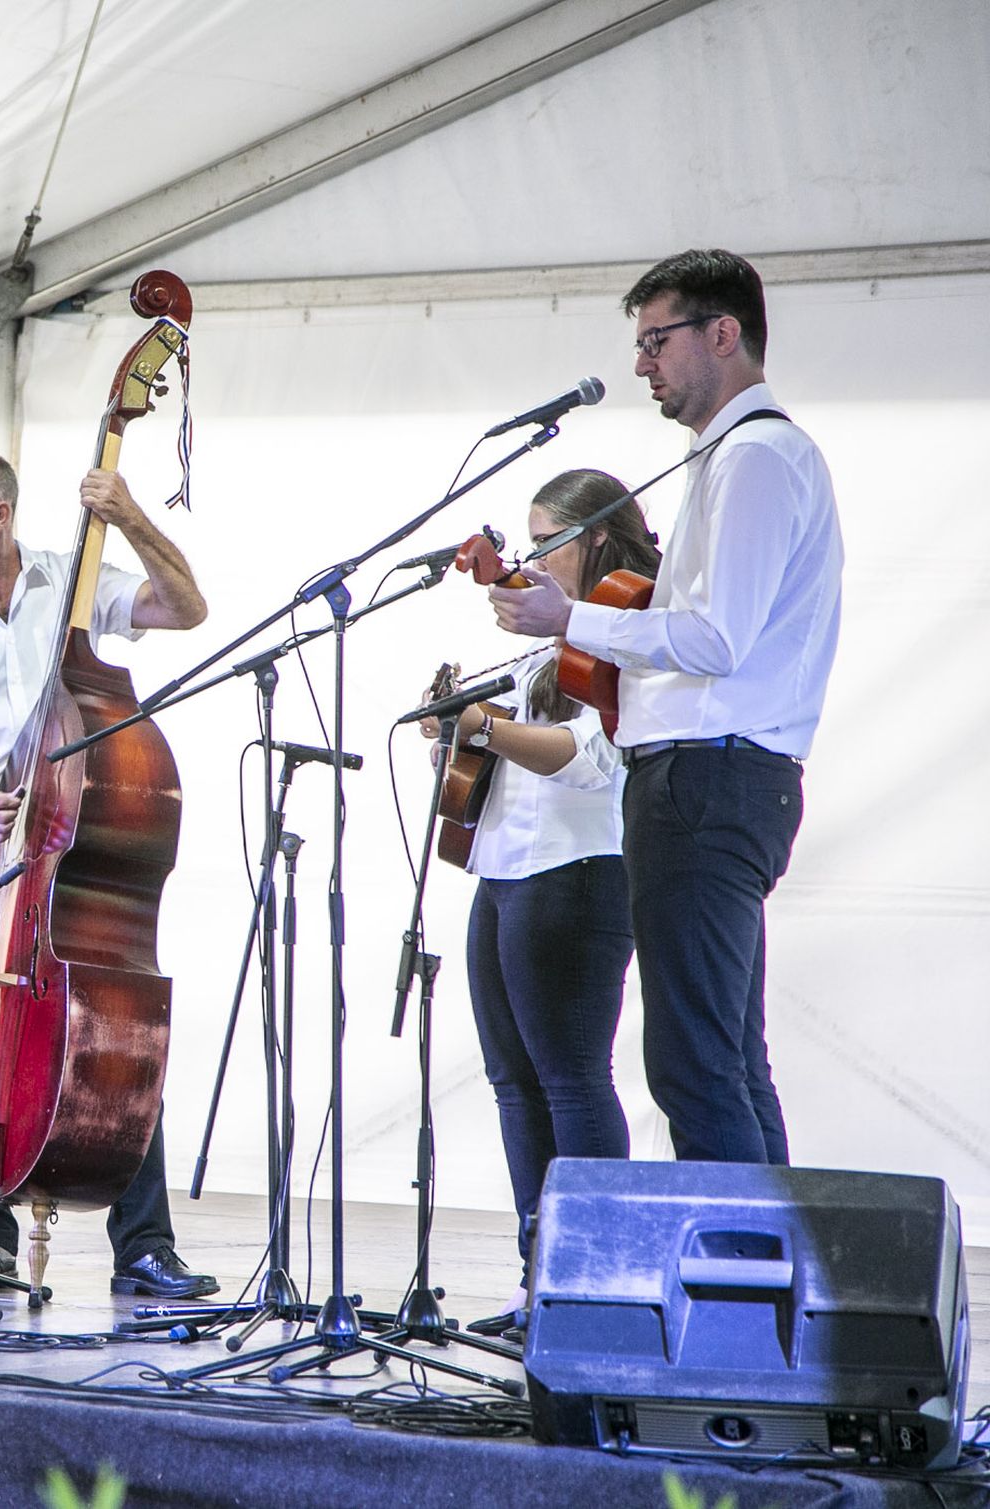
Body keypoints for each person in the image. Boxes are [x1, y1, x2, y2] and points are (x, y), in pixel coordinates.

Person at [489, 249, 842, 1164]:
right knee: (723, 1057)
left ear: (723, 333)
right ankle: (766, 1289)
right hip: (715, 776)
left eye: (657, 340)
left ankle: (737, 1301)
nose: (643, 363)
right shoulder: (733, 455)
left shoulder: (757, 457)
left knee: (693, 1063)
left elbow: (716, 638)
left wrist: (575, 621)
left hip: (709, 778)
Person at [0, 447, 217, 1300]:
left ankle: (142, 1244)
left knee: (114, 1035)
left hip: (70, 858)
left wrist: (132, 515)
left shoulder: (73, 581)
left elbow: (187, 608)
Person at [421, 470, 658, 1301]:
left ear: (595, 536)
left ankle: (599, 1281)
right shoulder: (537, 647)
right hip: (504, 872)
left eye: (548, 539)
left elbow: (592, 760)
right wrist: (453, 731)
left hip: (579, 874)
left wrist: (485, 725)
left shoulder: (624, 622)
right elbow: (506, 755)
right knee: (513, 1082)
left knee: (570, 1076)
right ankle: (542, 1280)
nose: (532, 558)